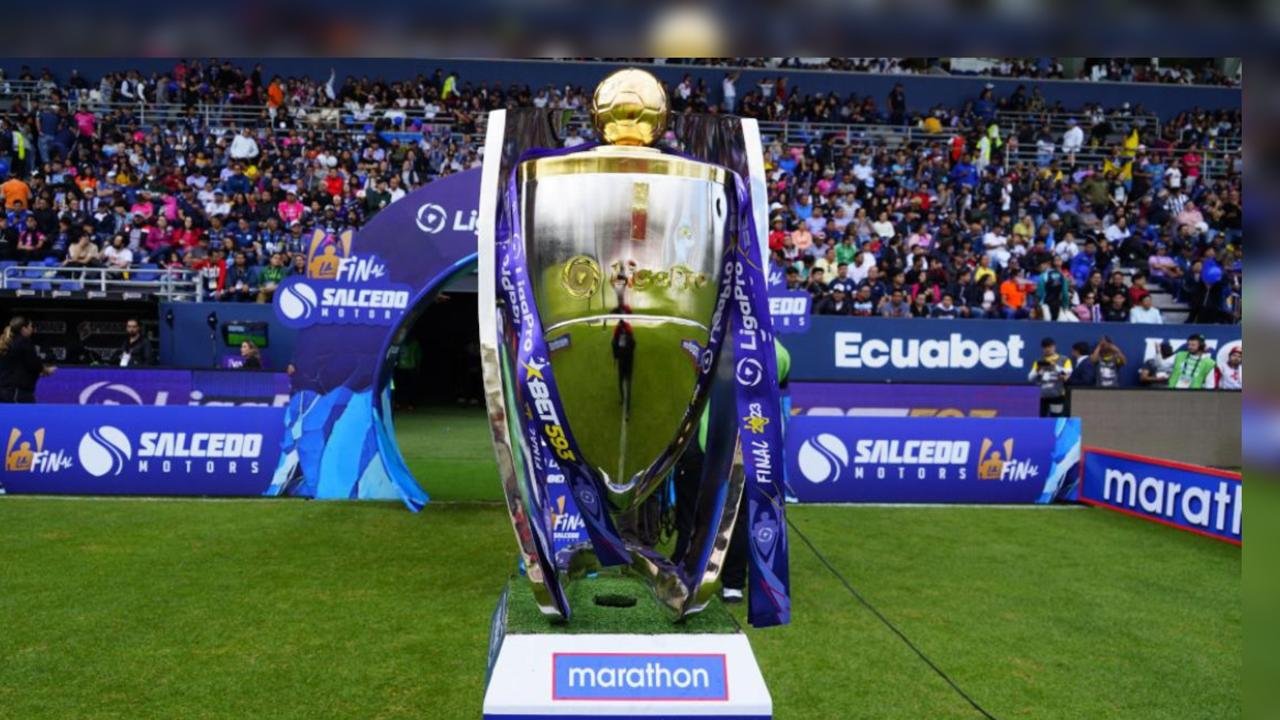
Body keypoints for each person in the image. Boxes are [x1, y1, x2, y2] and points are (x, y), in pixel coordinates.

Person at [673, 339, 790, 604]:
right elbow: (783, 368)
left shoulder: (715, 337)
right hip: (735, 441)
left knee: (709, 513)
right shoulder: (766, 342)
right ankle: (728, 582)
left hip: (721, 441)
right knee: (730, 514)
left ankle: (699, 575)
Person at [0, 316, 55, 403]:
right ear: (23, 329)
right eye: (30, 326)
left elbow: (18, 367)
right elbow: (35, 364)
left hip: (5, 390)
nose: (32, 329)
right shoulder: (23, 342)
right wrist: (46, 370)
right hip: (17, 392)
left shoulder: (7, 342)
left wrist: (38, 372)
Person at [1029, 337, 1072, 417]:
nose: (1047, 349)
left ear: (1054, 346)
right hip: (1044, 395)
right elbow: (1030, 378)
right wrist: (1038, 370)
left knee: (1056, 417)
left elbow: (1067, 375)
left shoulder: (1064, 359)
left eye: (1049, 346)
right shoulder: (1039, 361)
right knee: (1042, 418)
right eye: (1045, 347)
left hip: (1057, 395)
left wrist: (1055, 367)